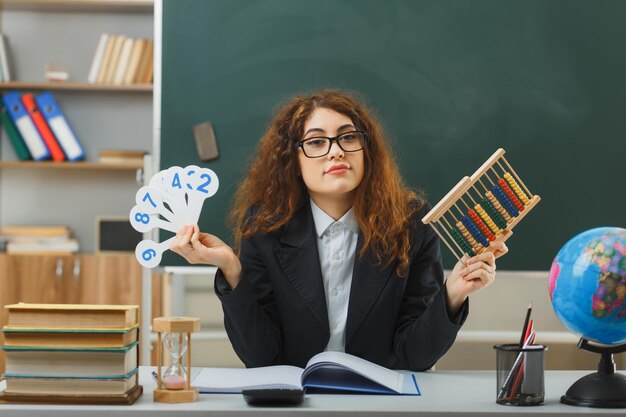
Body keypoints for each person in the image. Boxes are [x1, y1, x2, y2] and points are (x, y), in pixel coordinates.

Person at [170, 89, 507, 371]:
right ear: (294, 161)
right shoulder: (264, 229)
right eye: (316, 142)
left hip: (381, 403)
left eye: (348, 137)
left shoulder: (412, 226)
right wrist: (230, 267)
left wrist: (454, 293)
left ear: (367, 151)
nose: (336, 150)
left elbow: (413, 357)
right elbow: (260, 356)